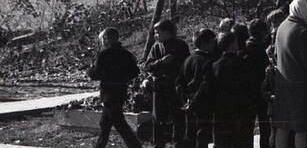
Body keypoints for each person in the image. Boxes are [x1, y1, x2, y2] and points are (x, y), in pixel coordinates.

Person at [273, 0, 307, 148]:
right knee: (302, 128)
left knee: (283, 126)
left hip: (282, 85)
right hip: (300, 87)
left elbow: (275, 55)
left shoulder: (282, 27)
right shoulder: (301, 31)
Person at [88, 27, 142, 148]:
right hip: (121, 90)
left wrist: (90, 69)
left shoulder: (103, 55)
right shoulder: (126, 54)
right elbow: (135, 72)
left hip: (108, 92)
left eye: (102, 39)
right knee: (105, 123)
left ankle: (136, 146)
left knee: (119, 124)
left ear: (107, 39)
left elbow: (95, 74)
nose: (102, 42)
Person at [145, 18, 189, 148]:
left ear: (167, 32)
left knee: (178, 117)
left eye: (158, 32)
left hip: (175, 86)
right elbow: (148, 66)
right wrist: (161, 62)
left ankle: (178, 143)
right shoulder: (156, 47)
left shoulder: (181, 45)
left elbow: (186, 65)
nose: (155, 35)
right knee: (158, 118)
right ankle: (158, 144)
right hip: (159, 86)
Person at [177, 28, 218, 148]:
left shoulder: (187, 60)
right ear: (205, 43)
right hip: (203, 104)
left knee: (190, 134)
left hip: (188, 104)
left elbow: (179, 82)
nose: (214, 45)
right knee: (202, 136)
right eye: (213, 42)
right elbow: (205, 84)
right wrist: (194, 101)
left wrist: (185, 99)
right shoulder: (208, 61)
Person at [213, 31, 250, 148]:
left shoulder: (215, 65)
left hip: (220, 109)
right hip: (238, 109)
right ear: (233, 43)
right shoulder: (241, 63)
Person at [244, 18, 273, 148]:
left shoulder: (245, 47)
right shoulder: (260, 49)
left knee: (248, 126)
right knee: (265, 126)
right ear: (262, 32)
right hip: (260, 90)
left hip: (249, 91)